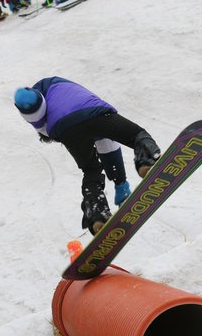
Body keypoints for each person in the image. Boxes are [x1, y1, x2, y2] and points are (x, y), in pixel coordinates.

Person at [13, 77, 161, 235]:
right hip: (94, 112)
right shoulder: (54, 83)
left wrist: (120, 184)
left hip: (65, 130)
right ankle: (147, 160)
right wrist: (121, 184)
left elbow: (50, 131)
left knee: (91, 171)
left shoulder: (34, 117)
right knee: (136, 135)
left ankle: (97, 213)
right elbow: (107, 142)